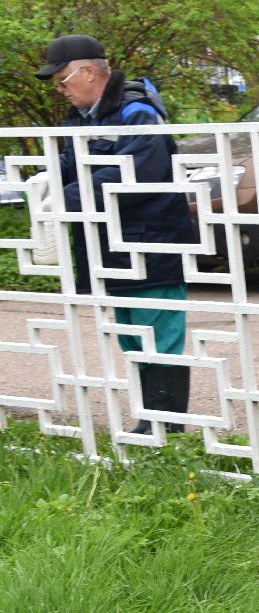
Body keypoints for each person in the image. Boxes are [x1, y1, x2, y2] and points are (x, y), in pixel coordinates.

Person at [36, 34, 200, 435]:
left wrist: (63, 200)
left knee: (159, 332)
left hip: (150, 242)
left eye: (62, 80)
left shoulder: (137, 112)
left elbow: (133, 173)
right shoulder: (84, 117)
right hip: (109, 246)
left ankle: (166, 424)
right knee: (130, 334)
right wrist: (39, 186)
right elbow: (71, 167)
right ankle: (150, 418)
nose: (60, 90)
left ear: (89, 71)